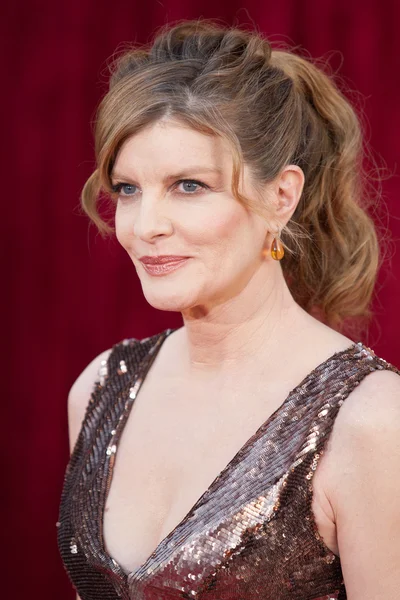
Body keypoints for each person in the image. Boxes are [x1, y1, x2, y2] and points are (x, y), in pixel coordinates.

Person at [57, 19, 400, 600]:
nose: (146, 227)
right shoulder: (99, 389)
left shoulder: (371, 422)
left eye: (189, 185)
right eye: (129, 189)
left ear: (281, 197)